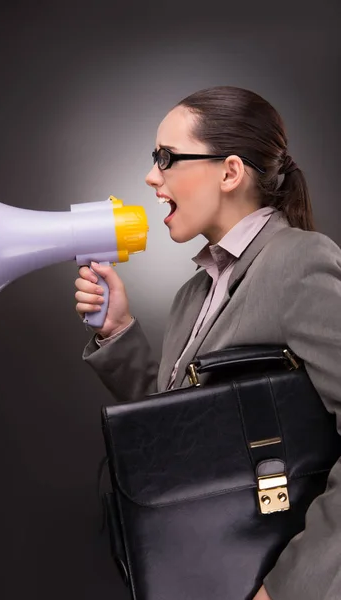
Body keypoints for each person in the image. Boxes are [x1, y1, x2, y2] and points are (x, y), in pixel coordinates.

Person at [74, 86, 341, 600]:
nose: (153, 176)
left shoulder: (300, 262)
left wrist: (289, 589)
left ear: (230, 172)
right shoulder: (191, 295)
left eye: (167, 158)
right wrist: (118, 331)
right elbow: (181, 438)